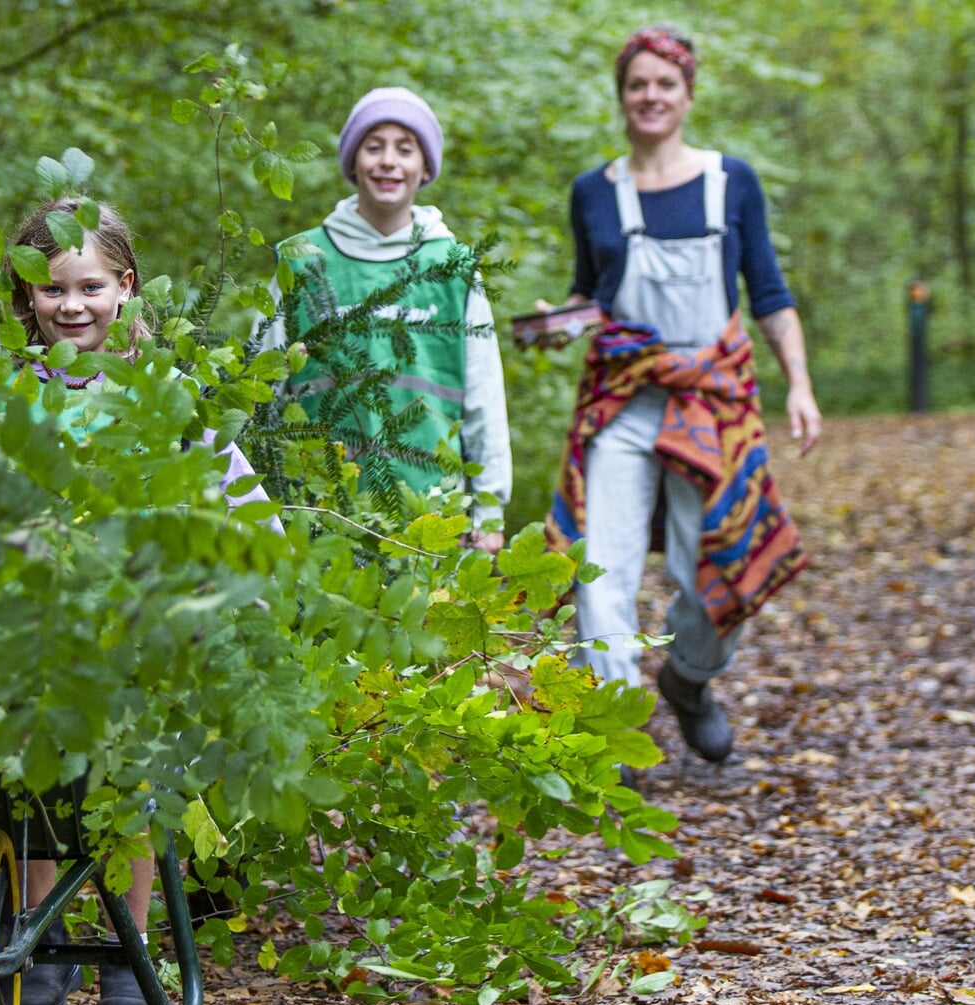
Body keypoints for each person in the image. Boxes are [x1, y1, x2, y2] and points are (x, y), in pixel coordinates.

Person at [4, 195, 270, 1005]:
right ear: (27, 300)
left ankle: (130, 941)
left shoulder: (164, 399)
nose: (71, 305)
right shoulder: (10, 397)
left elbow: (243, 510)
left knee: (133, 775)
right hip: (34, 639)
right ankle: (39, 939)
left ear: (125, 288)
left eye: (88, 286)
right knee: (33, 777)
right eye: (52, 291)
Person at [544, 26, 821, 763]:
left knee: (717, 567)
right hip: (622, 400)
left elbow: (767, 290)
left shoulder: (733, 180)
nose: (651, 97)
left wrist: (799, 383)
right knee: (598, 570)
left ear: (688, 94)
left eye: (665, 83)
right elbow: (587, 293)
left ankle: (689, 679)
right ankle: (609, 736)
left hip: (714, 403)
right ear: (621, 97)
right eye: (637, 84)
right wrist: (558, 322)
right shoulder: (593, 192)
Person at [269, 87, 511, 551]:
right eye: (374, 145)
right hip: (319, 500)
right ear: (353, 160)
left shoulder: (454, 266)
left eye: (406, 148)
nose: (388, 161)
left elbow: (484, 392)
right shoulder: (303, 259)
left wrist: (490, 509)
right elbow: (268, 381)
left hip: (432, 503)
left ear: (425, 168)